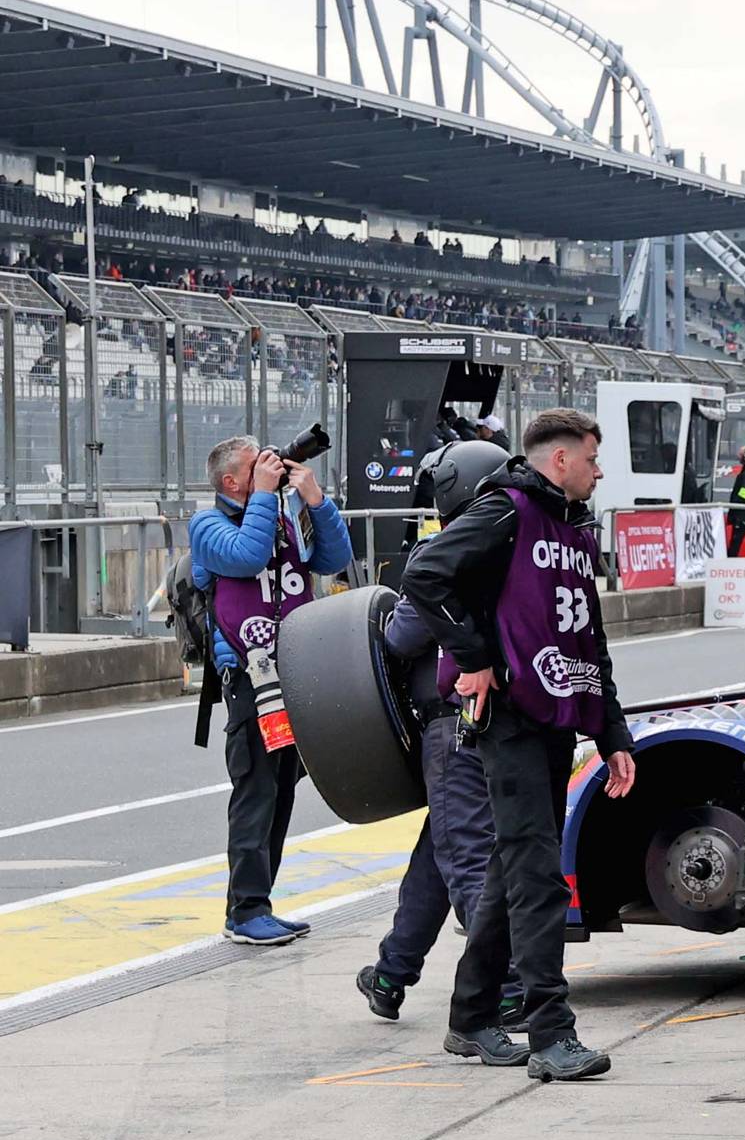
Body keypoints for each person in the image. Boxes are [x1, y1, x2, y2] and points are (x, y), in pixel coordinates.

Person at [400, 408, 638, 1082]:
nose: (599, 471)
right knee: (536, 876)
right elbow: (426, 574)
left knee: (512, 873)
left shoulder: (572, 530)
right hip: (508, 719)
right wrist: (472, 655)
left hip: (556, 719)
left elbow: (587, 640)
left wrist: (610, 731)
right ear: (558, 459)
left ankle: (470, 1017)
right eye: (592, 459)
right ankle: (550, 1033)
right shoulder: (506, 511)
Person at [357, 440, 519, 1024]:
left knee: (468, 859)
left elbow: (400, 637)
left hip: (454, 727)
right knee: (440, 852)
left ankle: (504, 985)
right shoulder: (520, 545)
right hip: (503, 721)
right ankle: (392, 972)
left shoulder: (448, 553)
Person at [189, 435, 354, 945]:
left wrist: (315, 501)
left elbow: (334, 559)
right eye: (254, 464)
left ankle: (261, 901)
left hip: (295, 670)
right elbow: (246, 555)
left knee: (283, 787)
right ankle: (244, 910)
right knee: (256, 788)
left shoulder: (281, 515)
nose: (270, 466)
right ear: (231, 481)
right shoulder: (207, 526)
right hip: (248, 675)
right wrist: (265, 496)